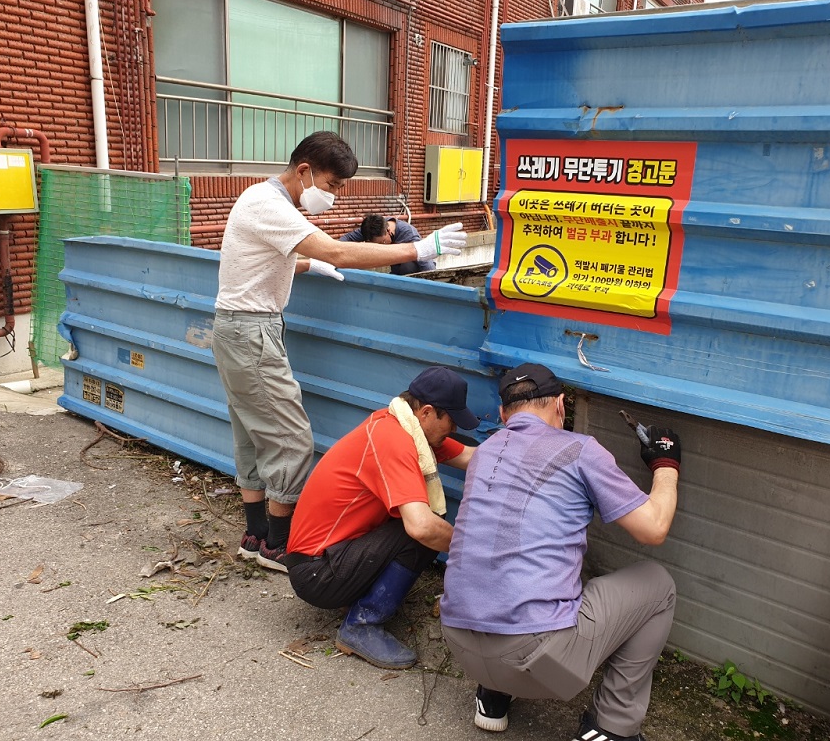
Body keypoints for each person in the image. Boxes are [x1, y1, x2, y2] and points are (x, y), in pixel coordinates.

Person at [213, 131, 467, 572]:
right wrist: (419, 248)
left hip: (235, 328)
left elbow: (259, 260)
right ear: (304, 171)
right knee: (291, 439)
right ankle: (277, 546)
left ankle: (255, 537)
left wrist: (308, 265)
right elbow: (337, 250)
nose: (333, 195)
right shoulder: (269, 204)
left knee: (251, 432)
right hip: (252, 331)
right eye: (332, 185)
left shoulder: (257, 198)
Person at [440, 363, 682, 741]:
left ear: (503, 414)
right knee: (658, 584)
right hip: (531, 658)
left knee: (520, 562)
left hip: (459, 644)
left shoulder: (486, 452)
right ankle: (612, 728)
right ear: (560, 405)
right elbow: (654, 528)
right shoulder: (580, 449)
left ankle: (493, 696)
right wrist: (666, 464)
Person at [285, 366, 480, 670]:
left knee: (424, 523)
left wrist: (524, 452)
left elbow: (470, 456)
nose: (454, 429)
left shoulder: (406, 428)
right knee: (425, 528)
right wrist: (476, 551)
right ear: (427, 412)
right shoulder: (394, 440)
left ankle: (357, 596)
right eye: (451, 421)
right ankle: (361, 625)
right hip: (316, 573)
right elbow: (422, 527)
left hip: (328, 556)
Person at [340, 214, 436, 275]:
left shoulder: (408, 234)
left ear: (388, 231)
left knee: (408, 265)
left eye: (382, 242)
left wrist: (433, 283)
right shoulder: (371, 228)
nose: (382, 247)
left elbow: (425, 260)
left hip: (413, 273)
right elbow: (345, 240)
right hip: (395, 272)